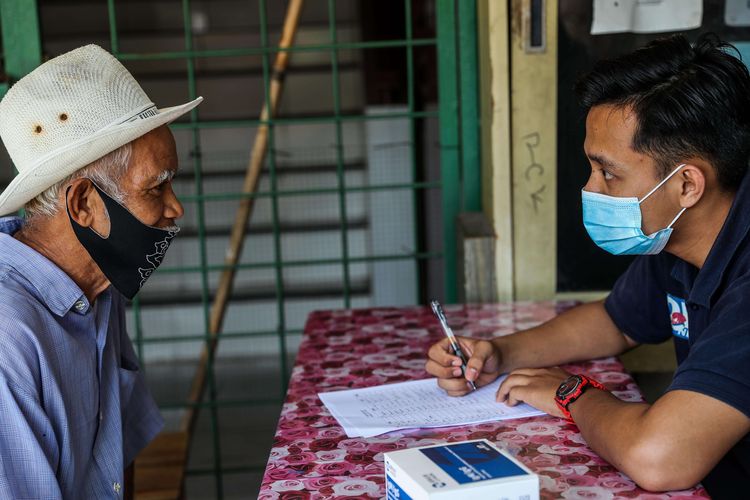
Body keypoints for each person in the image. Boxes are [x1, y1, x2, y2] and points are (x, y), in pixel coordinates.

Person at [426, 34, 750, 496]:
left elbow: (660, 459)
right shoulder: (681, 238)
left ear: (687, 186)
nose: (591, 189)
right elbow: (616, 322)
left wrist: (571, 393)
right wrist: (500, 354)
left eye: (608, 173)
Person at [0, 44, 202, 498]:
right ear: (84, 204)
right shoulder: (8, 339)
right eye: (156, 187)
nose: (176, 207)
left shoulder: (97, 289)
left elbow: (116, 454)